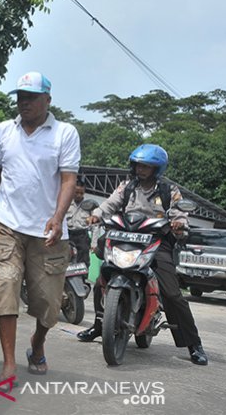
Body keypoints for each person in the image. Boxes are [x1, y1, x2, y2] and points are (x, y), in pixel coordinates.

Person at [0, 71, 80, 389]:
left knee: (48, 304)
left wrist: (58, 216)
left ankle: (37, 344)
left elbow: (68, 179)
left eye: (31, 97)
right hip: (8, 223)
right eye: (20, 97)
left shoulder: (65, 133)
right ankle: (9, 364)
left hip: (49, 232)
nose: (24, 103)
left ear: (47, 100)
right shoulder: (3, 131)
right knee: (6, 287)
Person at [77, 144, 208, 365]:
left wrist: (179, 224)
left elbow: (179, 213)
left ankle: (193, 344)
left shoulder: (169, 191)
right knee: (104, 275)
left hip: (156, 241)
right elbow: (110, 204)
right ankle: (100, 326)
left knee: (172, 294)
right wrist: (96, 215)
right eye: (138, 165)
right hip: (124, 236)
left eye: (146, 166)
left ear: (157, 168)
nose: (141, 169)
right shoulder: (127, 187)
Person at [65, 177, 94, 266]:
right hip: (68, 235)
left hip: (82, 236)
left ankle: (83, 278)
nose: (79, 195)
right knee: (66, 259)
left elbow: (95, 225)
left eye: (81, 193)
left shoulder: (89, 205)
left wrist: (94, 242)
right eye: (76, 192)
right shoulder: (66, 203)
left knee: (84, 260)